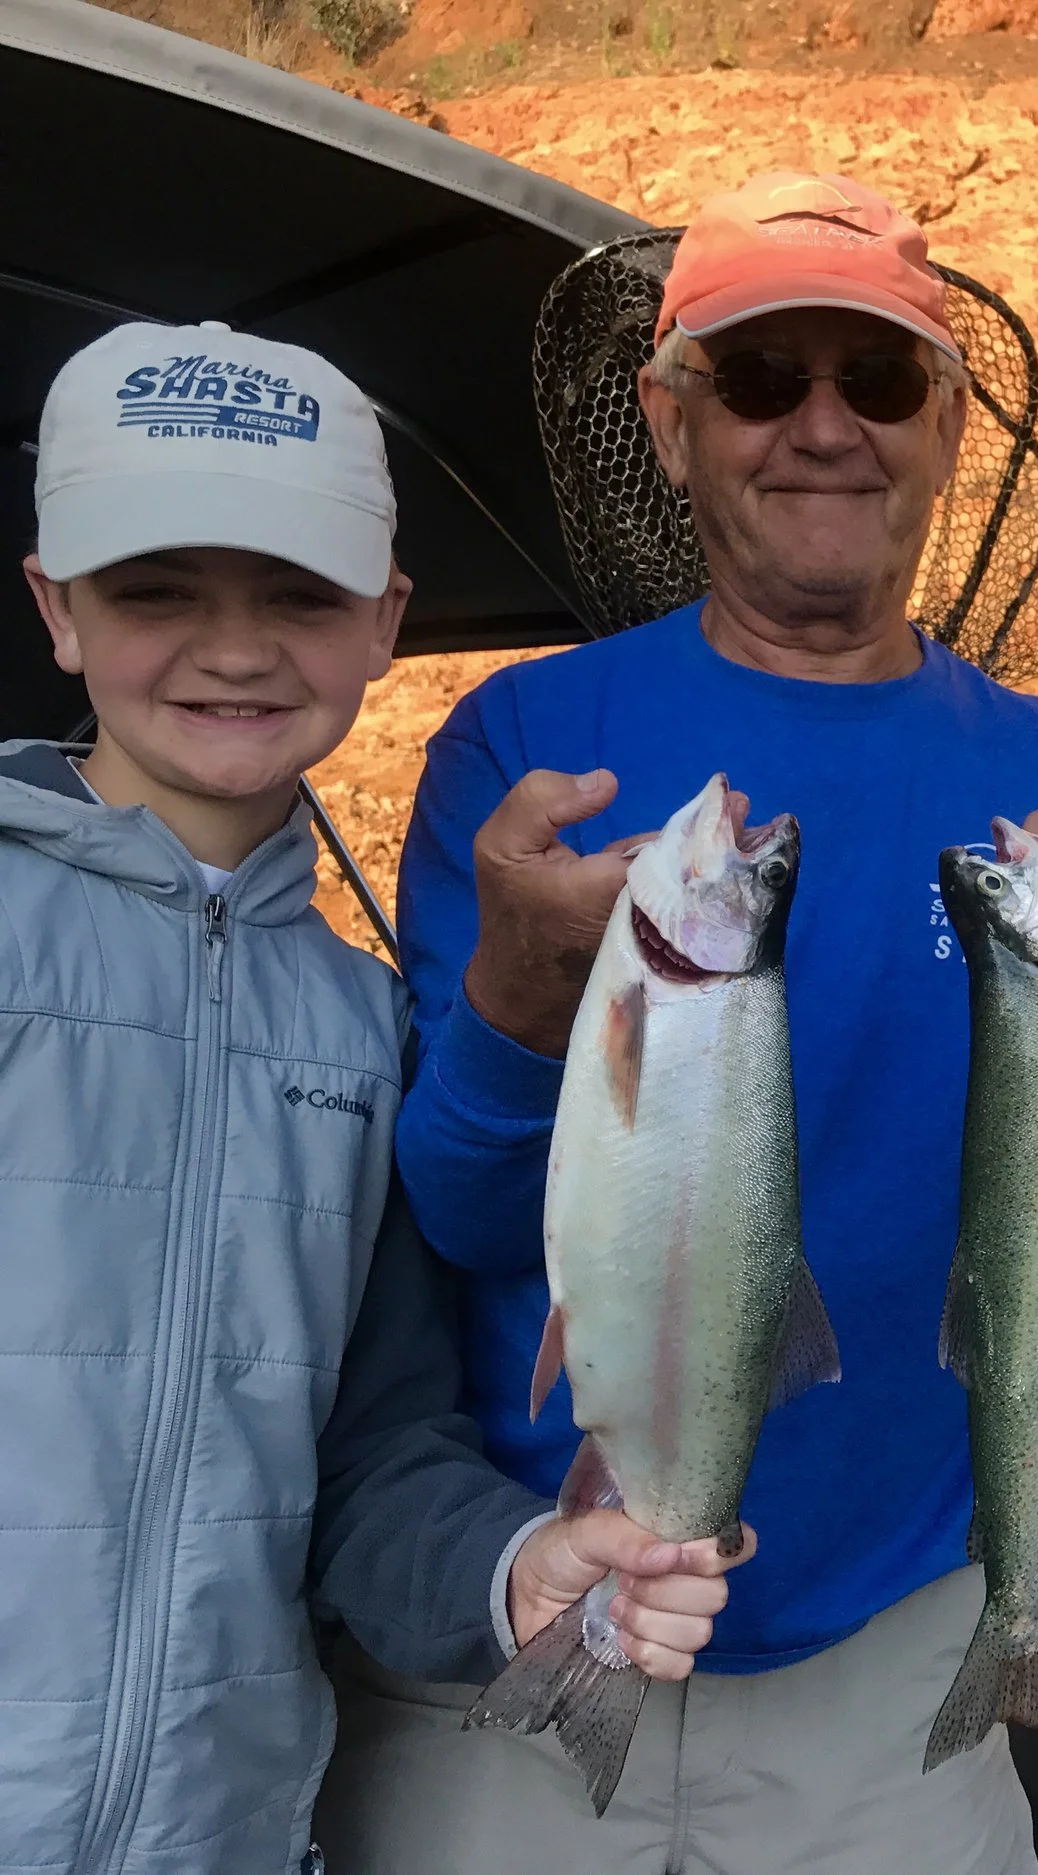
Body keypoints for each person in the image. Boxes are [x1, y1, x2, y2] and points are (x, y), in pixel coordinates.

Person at [311, 173, 1038, 1873]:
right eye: (763, 381)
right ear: (670, 425)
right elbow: (468, 1213)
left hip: (897, 1649)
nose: (823, 425)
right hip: (547, 1601)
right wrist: (521, 1016)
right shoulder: (525, 747)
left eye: (880, 380)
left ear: (947, 427)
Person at [5, 323, 737, 1875]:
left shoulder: (362, 1026)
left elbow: (372, 1458)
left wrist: (516, 1566)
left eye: (299, 592)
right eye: (155, 591)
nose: (235, 646)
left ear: (386, 620)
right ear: (55, 607)